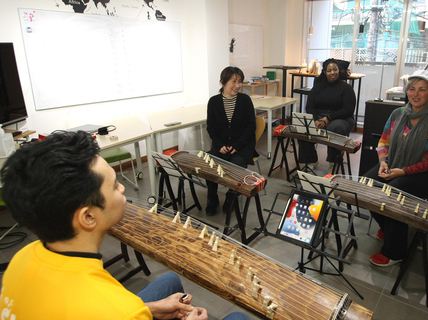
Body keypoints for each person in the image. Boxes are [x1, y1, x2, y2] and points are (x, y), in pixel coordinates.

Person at [0, 131, 250, 320]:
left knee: (169, 281)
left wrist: (149, 309)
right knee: (239, 318)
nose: (123, 188)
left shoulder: (20, 260)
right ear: (88, 217)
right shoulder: (121, 311)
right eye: (114, 185)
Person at [364, 70, 428, 267]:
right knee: (367, 184)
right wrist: (384, 161)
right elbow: (383, 141)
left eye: (422, 89)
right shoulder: (398, 113)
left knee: (394, 191)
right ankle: (387, 226)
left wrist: (403, 171)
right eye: (412, 89)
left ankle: (394, 252)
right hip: (395, 163)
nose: (416, 94)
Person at [205, 66, 257, 216]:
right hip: (221, 146)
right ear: (223, 82)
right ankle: (212, 198)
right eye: (233, 81)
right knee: (209, 165)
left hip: (242, 146)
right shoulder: (214, 102)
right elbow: (211, 128)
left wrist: (237, 145)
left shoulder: (245, 100)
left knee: (237, 165)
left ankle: (230, 197)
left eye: (240, 81)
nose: (238, 85)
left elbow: (250, 126)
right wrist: (220, 145)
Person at [298, 59, 356, 173]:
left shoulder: (346, 88)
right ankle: (311, 160)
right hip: (319, 116)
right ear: (324, 72)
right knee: (304, 127)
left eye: (335, 69)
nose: (332, 73)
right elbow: (310, 107)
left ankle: (334, 161)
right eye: (329, 70)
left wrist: (328, 118)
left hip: (341, 118)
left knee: (335, 128)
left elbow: (348, 110)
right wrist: (315, 119)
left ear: (339, 70)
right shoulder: (317, 87)